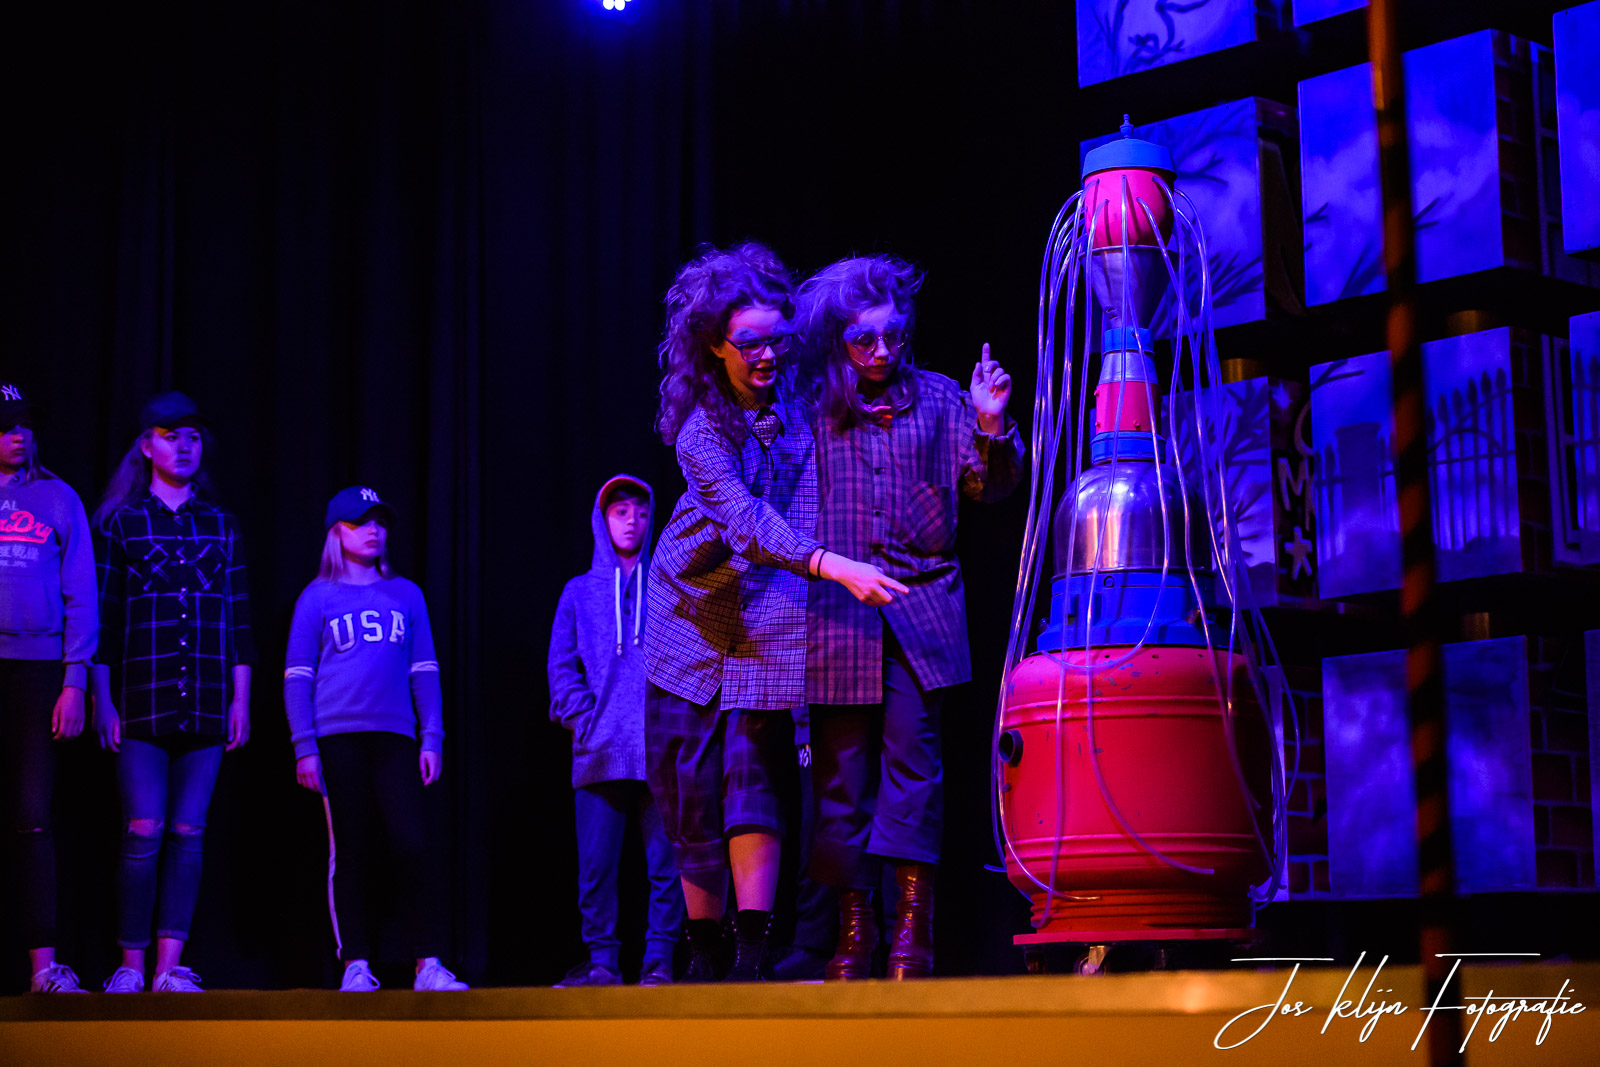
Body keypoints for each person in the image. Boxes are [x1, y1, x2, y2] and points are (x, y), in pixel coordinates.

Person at [646, 242, 906, 982]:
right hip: (691, 618)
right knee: (691, 790)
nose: (766, 355)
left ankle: (753, 955)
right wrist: (832, 563)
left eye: (776, 339)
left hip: (770, 615)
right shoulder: (702, 433)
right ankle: (704, 952)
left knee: (753, 776)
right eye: (748, 342)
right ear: (714, 345)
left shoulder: (801, 397)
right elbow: (748, 521)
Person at [796, 255, 1023, 980]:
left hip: (920, 613)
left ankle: (910, 934)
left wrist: (991, 423)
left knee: (914, 771)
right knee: (841, 779)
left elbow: (991, 487)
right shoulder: (813, 408)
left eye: (893, 335)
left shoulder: (940, 399)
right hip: (837, 617)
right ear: (837, 339)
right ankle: (854, 932)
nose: (882, 351)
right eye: (864, 339)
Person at [92, 392, 255, 994]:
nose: (184, 446)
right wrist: (101, 698)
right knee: (143, 829)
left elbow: (239, 619)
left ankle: (169, 967)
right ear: (146, 446)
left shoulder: (221, 524)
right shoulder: (122, 522)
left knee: (189, 833)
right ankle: (130, 966)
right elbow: (104, 619)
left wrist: (240, 699)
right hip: (142, 696)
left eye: (193, 436)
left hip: (208, 697)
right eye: (171, 435)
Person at [283, 486, 468, 992]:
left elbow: (424, 669)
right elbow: (297, 676)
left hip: (395, 738)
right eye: (360, 522)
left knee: (412, 845)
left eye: (380, 522)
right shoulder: (317, 597)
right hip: (337, 738)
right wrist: (305, 746)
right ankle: (356, 963)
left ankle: (427, 963)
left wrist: (432, 736)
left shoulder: (406, 594)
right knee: (350, 850)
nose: (373, 531)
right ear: (336, 532)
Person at [548, 474, 684, 987]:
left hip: (659, 749)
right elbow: (561, 666)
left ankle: (659, 961)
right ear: (602, 520)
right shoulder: (579, 592)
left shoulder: (668, 582)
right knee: (597, 866)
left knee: (666, 866)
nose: (632, 522)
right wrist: (583, 719)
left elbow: (690, 654)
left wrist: (675, 725)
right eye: (620, 512)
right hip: (600, 748)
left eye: (641, 513)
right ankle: (603, 963)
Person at [0, 381, 96, 994]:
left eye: (24, 424)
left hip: (38, 671)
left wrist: (75, 680)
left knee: (32, 816)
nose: (17, 434)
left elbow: (81, 594)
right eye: (5, 425)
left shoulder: (59, 498)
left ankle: (43, 970)